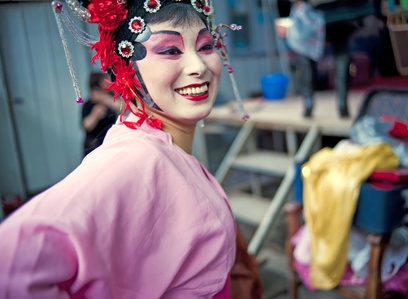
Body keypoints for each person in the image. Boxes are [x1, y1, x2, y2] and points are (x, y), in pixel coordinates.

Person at [0, 0, 259, 298]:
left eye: (205, 46)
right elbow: (12, 263)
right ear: (125, 65)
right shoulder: (136, 158)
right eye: (170, 50)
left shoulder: (160, 147)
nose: (198, 66)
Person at [286, 0, 373, 118]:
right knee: (342, 51)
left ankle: (308, 103)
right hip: (343, 10)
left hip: (316, 11)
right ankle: (342, 104)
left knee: (306, 54)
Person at [82, 72, 122, 156]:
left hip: (109, 143)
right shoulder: (89, 104)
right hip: (94, 146)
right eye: (104, 81)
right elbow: (86, 125)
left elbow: (121, 107)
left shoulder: (111, 99)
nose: (108, 82)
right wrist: (94, 116)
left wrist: (104, 99)